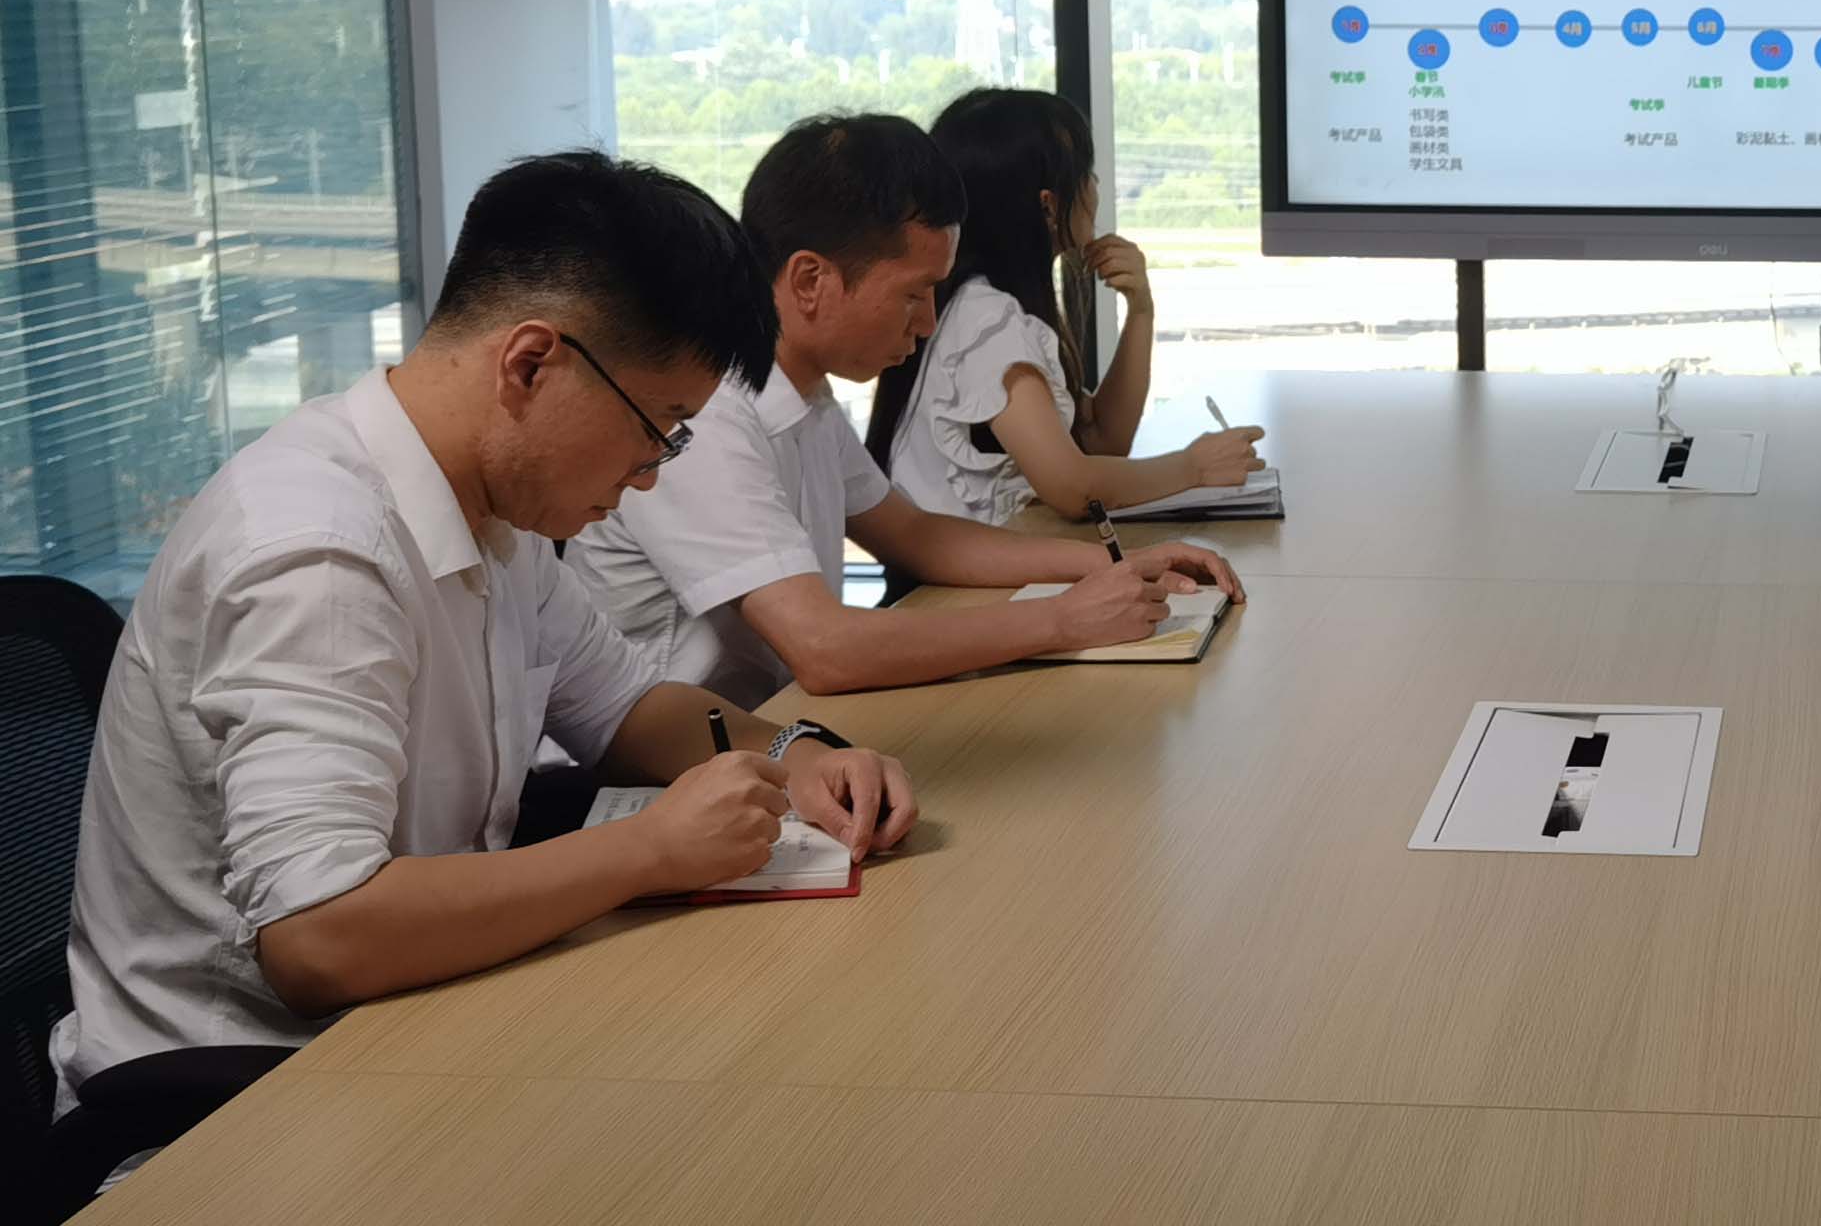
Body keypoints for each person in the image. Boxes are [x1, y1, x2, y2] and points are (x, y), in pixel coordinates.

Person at [55, 151, 924, 1122]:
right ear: (530, 363)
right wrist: (650, 849)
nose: (651, 472)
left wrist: (800, 756)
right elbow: (319, 936)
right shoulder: (318, 552)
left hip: (428, 1022)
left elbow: (629, 706)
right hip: (236, 1108)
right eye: (659, 426)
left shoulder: (491, 514)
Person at [570, 114, 1238, 705]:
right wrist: (1063, 619)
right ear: (810, 280)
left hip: (770, 729)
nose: (927, 323)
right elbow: (825, 649)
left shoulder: (804, 393)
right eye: (915, 294)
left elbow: (916, 535)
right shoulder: (705, 415)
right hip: (669, 773)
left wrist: (1108, 566)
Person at [867, 87, 1263, 527]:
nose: (1095, 188)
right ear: (1048, 205)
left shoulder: (986, 304)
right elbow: (1074, 488)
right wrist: (1192, 467)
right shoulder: (985, 319)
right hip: (962, 569)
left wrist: (1140, 311)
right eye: (1086, 173)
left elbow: (1102, 440)